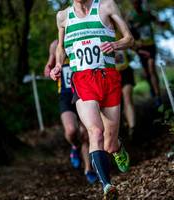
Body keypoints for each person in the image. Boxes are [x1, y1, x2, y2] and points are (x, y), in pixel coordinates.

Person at [50, 0, 134, 199]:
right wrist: (59, 65)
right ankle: (107, 186)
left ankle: (117, 147)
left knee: (109, 143)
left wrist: (115, 44)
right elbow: (61, 48)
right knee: (95, 131)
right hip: (83, 81)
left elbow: (130, 39)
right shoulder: (63, 16)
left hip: (109, 78)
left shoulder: (106, 6)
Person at [44, 39, 97, 184]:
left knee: (86, 133)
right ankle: (74, 146)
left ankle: (88, 168)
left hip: (83, 91)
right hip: (66, 95)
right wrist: (50, 70)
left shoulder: (81, 37)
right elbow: (47, 69)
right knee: (71, 130)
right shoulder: (55, 45)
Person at [129, 0, 161, 107]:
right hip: (141, 47)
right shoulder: (131, 17)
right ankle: (153, 89)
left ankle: (157, 95)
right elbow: (129, 33)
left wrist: (161, 22)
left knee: (151, 68)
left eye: (137, 3)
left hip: (150, 45)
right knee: (147, 72)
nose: (136, 5)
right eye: (134, 3)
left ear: (140, 3)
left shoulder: (147, 14)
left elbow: (157, 21)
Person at [115, 50, 136, 139]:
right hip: (111, 74)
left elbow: (133, 46)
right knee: (117, 103)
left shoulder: (123, 35)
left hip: (125, 71)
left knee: (127, 98)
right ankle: (123, 125)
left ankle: (133, 128)